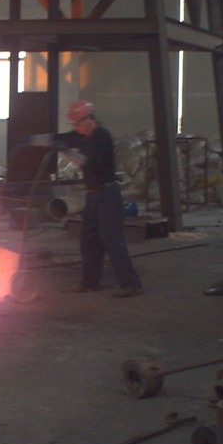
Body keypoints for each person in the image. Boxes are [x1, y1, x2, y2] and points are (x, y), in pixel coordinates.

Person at [53, 99, 143, 297]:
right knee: (89, 240)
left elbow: (91, 163)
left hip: (108, 195)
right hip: (93, 195)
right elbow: (62, 138)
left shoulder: (102, 136)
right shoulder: (84, 136)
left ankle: (131, 283)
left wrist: (67, 152)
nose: (76, 128)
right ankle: (90, 283)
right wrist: (35, 139)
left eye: (77, 123)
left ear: (88, 119)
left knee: (111, 239)